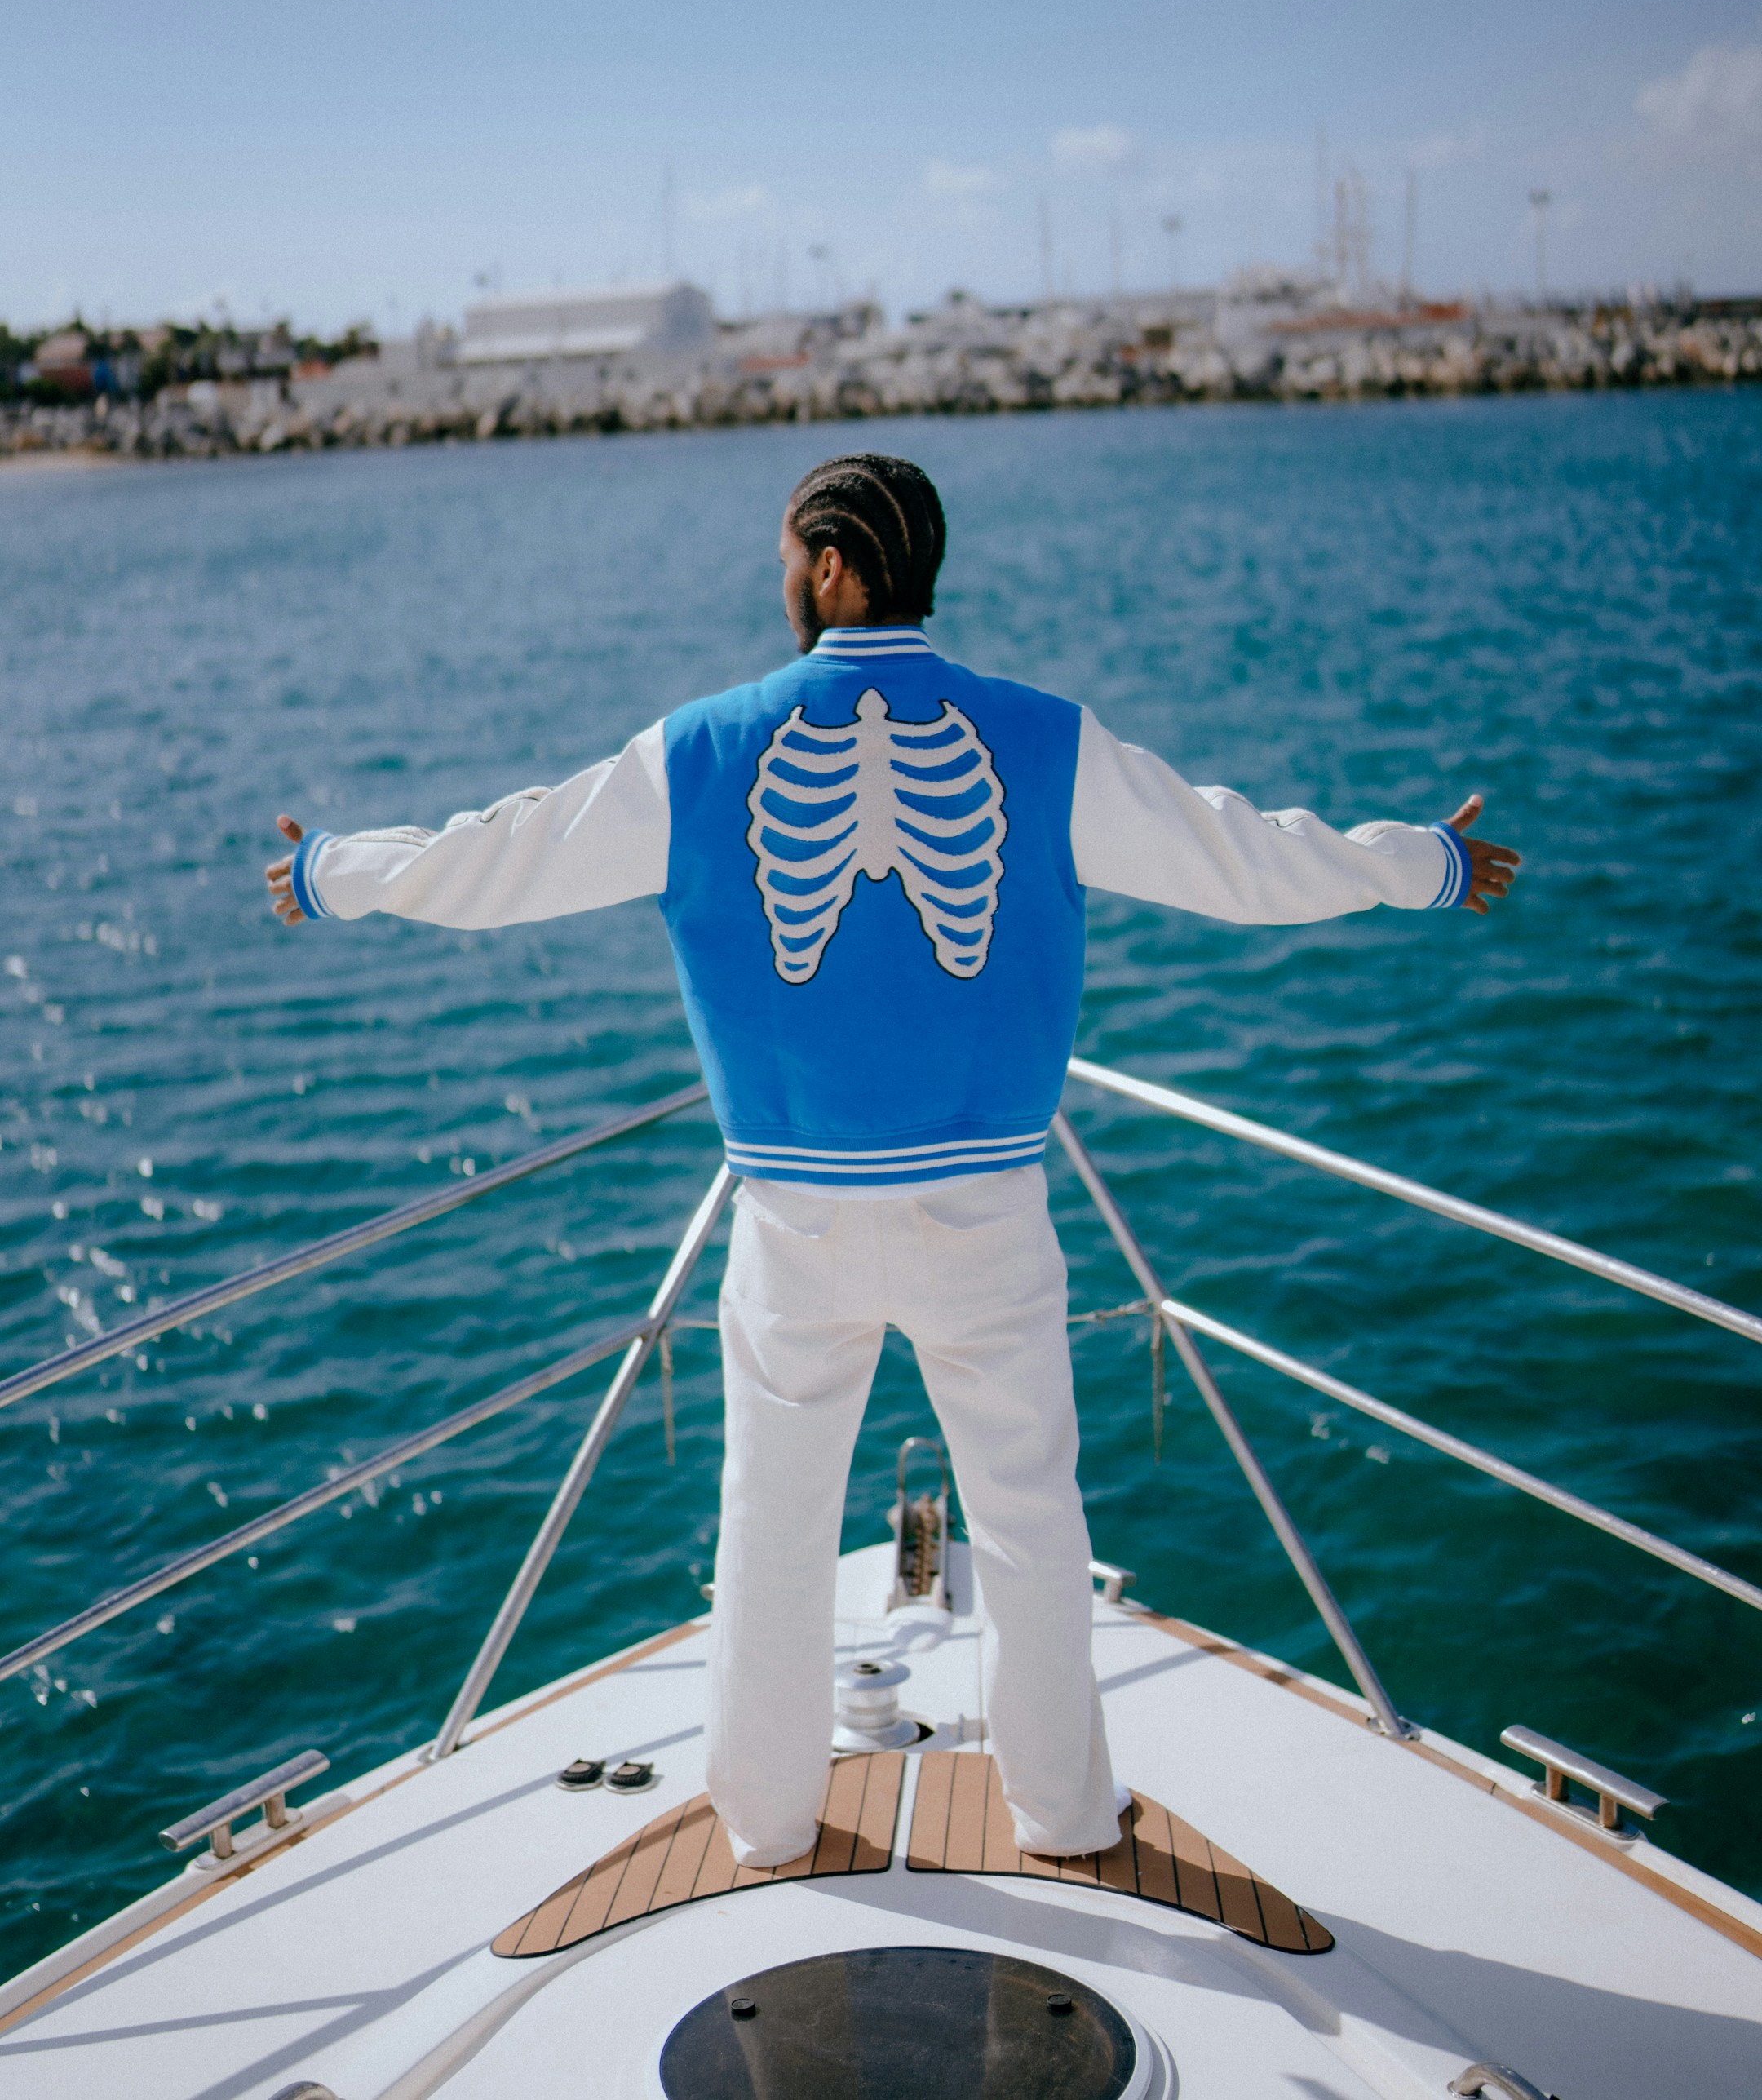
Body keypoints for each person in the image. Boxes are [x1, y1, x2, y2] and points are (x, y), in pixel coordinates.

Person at [265, 451, 1517, 1867]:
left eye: (791, 552)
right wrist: (1419, 862)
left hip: (795, 1219)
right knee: (1034, 1521)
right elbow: (1242, 859)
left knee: (773, 1527)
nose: (780, 576)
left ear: (838, 567)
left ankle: (765, 1821)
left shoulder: (700, 750)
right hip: (986, 1210)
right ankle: (1059, 1814)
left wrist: (336, 875)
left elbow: (497, 860)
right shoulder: (1045, 741)